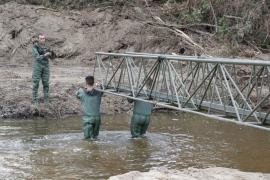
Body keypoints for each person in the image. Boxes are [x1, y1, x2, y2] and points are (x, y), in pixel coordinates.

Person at [32, 34, 51, 111]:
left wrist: (51, 54)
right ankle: (35, 101)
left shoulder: (47, 47)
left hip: (46, 66)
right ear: (38, 39)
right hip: (38, 66)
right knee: (36, 83)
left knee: (46, 83)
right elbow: (37, 57)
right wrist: (44, 55)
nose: (42, 40)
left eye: (43, 38)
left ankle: (46, 101)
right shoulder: (35, 47)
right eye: (41, 38)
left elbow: (52, 57)